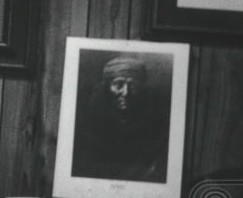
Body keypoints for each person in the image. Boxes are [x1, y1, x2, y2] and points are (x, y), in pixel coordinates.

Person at [70, 54, 171, 183]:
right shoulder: (88, 124)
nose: (126, 93)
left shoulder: (155, 127)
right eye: (118, 85)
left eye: (133, 86)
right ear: (106, 87)